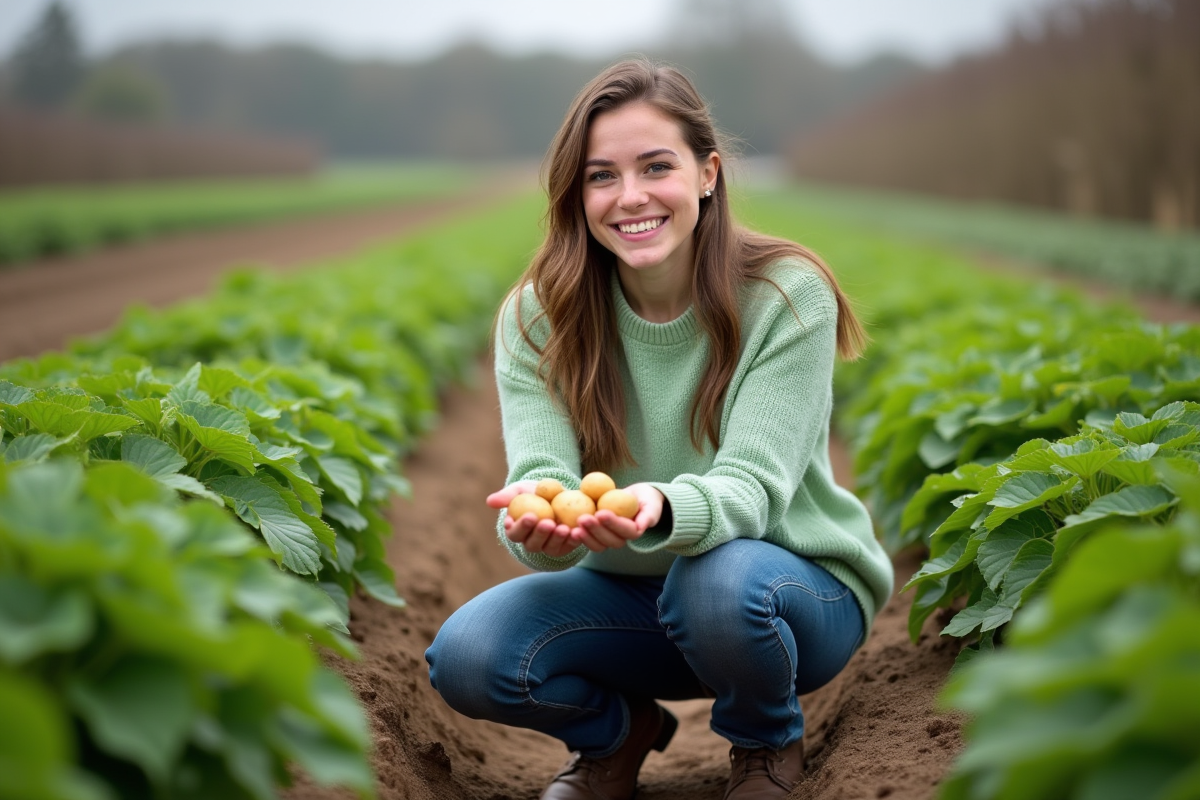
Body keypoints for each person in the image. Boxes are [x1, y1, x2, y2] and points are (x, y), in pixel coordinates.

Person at [425, 58, 893, 800]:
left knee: (715, 582)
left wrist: (661, 507)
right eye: (601, 176)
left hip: (788, 596)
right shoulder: (537, 316)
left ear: (708, 174)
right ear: (576, 194)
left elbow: (752, 490)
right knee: (470, 654)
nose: (630, 196)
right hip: (641, 607)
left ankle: (766, 739)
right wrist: (535, 521)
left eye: (655, 167)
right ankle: (617, 736)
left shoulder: (785, 296)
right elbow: (541, 473)